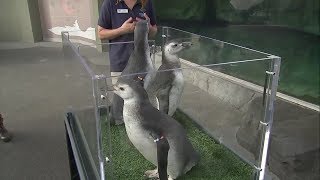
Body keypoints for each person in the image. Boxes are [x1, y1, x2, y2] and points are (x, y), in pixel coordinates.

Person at [97, 0, 157, 123]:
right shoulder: (109, 3)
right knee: (123, 104)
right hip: (120, 61)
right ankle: (119, 124)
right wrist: (122, 30)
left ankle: (140, 134)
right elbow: (101, 33)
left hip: (143, 65)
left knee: (142, 102)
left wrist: (148, 27)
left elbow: (154, 31)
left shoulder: (146, 2)